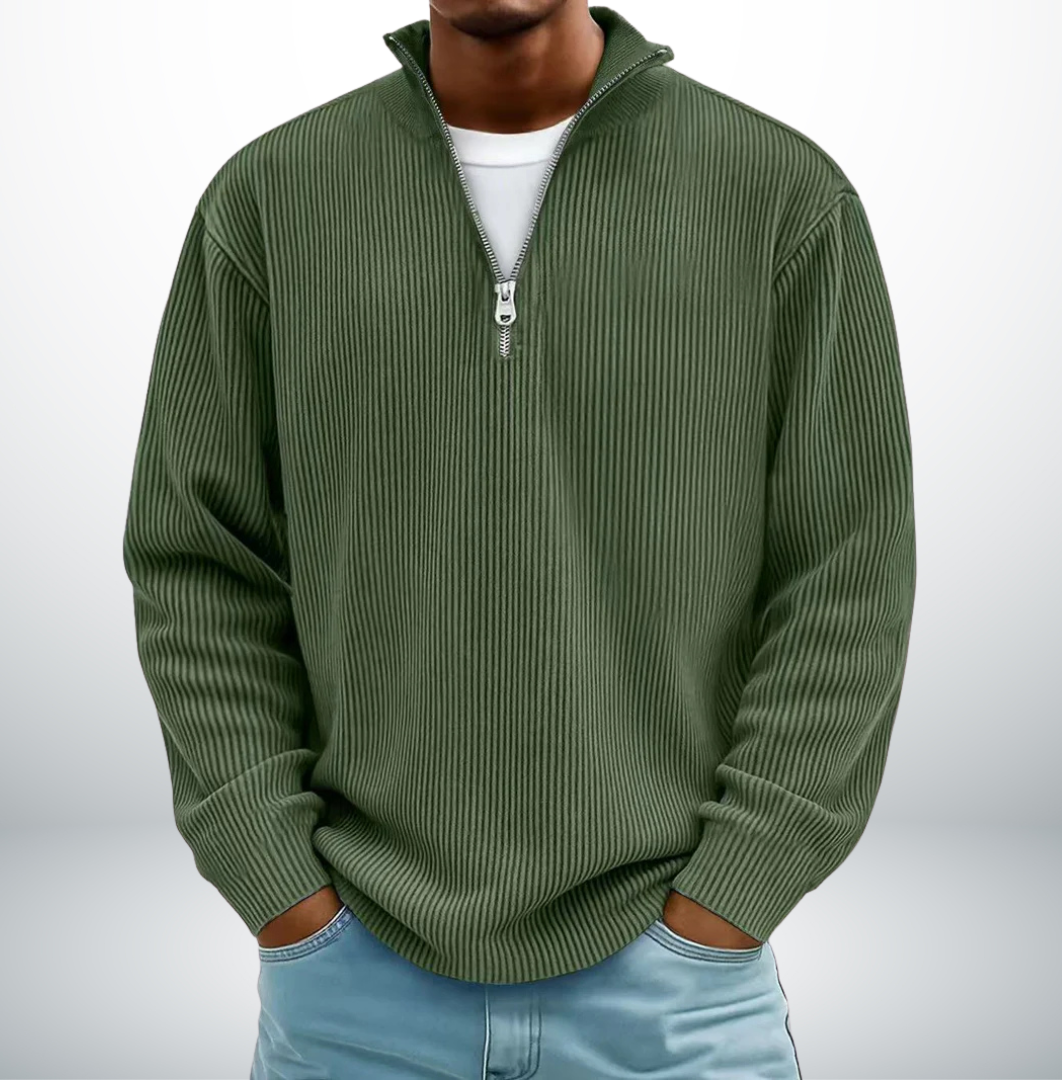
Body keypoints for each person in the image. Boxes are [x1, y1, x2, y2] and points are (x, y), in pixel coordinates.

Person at [122, 1, 916, 1076]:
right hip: (353, 997)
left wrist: (734, 895)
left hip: (676, 1004)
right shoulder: (271, 201)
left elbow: (848, 575)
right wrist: (278, 886)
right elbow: (199, 565)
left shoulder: (778, 197)